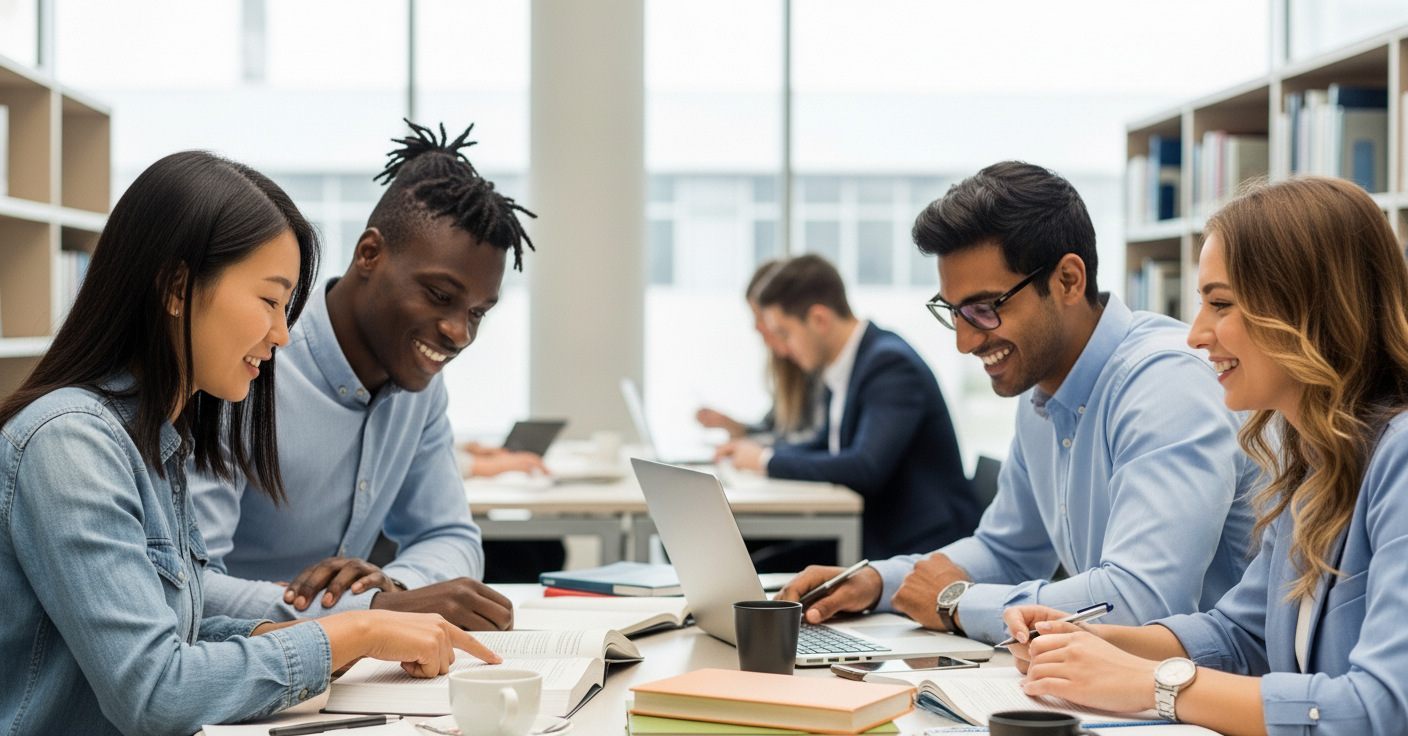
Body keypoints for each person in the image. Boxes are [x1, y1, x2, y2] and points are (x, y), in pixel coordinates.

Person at [0, 151, 499, 736]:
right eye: (269, 301)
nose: (282, 334)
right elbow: (154, 691)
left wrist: (349, 636)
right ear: (177, 286)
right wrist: (353, 630)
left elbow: (177, 630)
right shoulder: (69, 444)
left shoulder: (162, 441)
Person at [779, 161, 1258, 646]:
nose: (966, 342)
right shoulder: (1043, 391)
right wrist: (879, 581)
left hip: (1208, 698)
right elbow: (1007, 551)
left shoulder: (1165, 383)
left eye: (985, 309)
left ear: (1068, 280)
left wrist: (956, 604)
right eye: (955, 313)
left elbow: (1141, 602)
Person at [1003, 176, 1408, 735]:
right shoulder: (1316, 460)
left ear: (1304, 309)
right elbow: (1238, 638)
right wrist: (1093, 641)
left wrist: (1153, 685)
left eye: (1220, 304)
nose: (1195, 334)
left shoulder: (1402, 459)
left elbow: (1380, 709)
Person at [192, 121, 540, 624]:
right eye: (441, 296)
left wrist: (399, 587)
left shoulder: (420, 384)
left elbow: (448, 534)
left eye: (478, 312)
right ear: (369, 254)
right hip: (241, 666)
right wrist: (372, 610)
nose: (459, 333)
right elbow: (190, 587)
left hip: (354, 675)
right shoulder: (245, 364)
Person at [715, 254, 980, 560]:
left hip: (919, 546)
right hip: (874, 533)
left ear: (819, 320)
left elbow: (865, 467)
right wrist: (753, 455)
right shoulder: (847, 365)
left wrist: (765, 460)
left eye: (785, 333)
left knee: (757, 568)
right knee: (744, 557)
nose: (784, 349)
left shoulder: (889, 365)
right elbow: (824, 445)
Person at [697, 259, 826, 446]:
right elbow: (774, 429)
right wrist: (734, 427)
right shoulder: (792, 367)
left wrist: (757, 453)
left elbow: (816, 441)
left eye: (761, 317)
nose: (756, 327)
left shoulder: (816, 362)